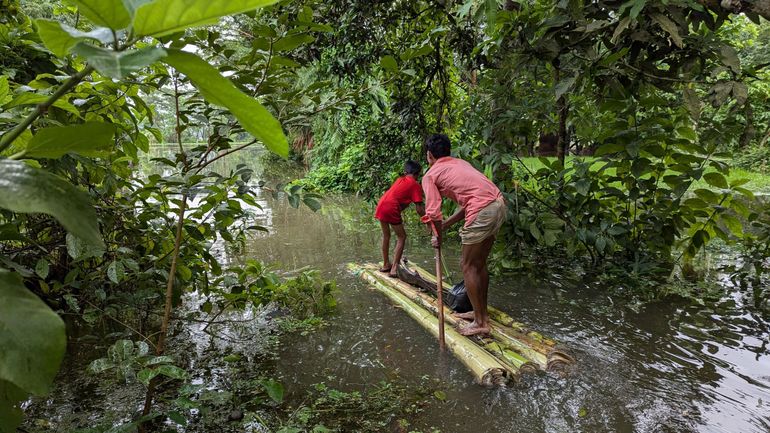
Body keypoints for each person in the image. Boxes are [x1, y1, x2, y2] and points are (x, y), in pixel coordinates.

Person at [421, 134, 505, 336]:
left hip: (483, 210)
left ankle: (480, 322)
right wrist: (445, 227)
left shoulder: (431, 175)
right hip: (498, 205)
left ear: (429, 155)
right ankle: (480, 314)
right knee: (479, 264)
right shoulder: (460, 163)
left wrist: (438, 236)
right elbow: (466, 205)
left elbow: (433, 213)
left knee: (467, 266)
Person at [374, 160, 425, 277]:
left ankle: (386, 264)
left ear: (405, 172)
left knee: (386, 235)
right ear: (417, 173)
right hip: (391, 207)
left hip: (381, 204)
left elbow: (400, 198)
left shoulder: (399, 180)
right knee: (402, 237)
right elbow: (419, 209)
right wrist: (429, 221)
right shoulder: (415, 185)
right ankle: (394, 268)